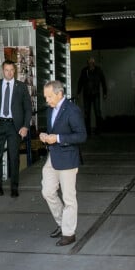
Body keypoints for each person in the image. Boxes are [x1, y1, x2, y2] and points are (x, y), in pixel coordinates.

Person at [39, 80, 87, 247]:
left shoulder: (72, 110)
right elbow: (54, 132)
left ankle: (69, 233)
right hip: (53, 156)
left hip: (67, 158)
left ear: (59, 94)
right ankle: (62, 223)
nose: (47, 101)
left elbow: (81, 135)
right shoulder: (50, 110)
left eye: (49, 97)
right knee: (47, 191)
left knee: (69, 198)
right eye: (45, 97)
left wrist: (58, 138)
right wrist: (46, 136)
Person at [0, 60, 32, 198]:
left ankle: (14, 188)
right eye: (6, 70)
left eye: (11, 70)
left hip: (14, 126)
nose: (9, 72)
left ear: (14, 71)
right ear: (2, 70)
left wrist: (25, 126)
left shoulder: (21, 87)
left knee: (14, 157)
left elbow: (28, 108)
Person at [77, 57, 107, 135]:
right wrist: (78, 92)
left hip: (95, 93)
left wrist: (105, 92)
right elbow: (80, 81)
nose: (91, 64)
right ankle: (88, 131)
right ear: (88, 63)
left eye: (92, 63)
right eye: (89, 63)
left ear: (94, 63)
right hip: (87, 94)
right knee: (87, 113)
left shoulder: (98, 70)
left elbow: (103, 81)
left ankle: (98, 130)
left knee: (97, 112)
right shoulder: (85, 71)